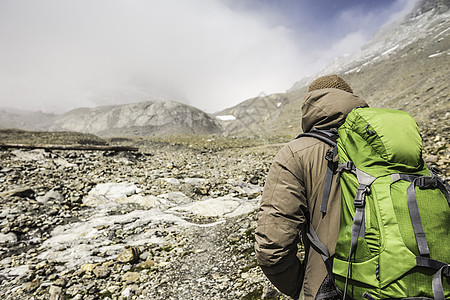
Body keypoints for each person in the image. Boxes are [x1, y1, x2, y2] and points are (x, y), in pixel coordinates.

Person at [255, 75, 369, 300]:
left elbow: (272, 249)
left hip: (333, 289)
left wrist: (303, 289)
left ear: (310, 105)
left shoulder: (295, 153)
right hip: (412, 281)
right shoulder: (390, 146)